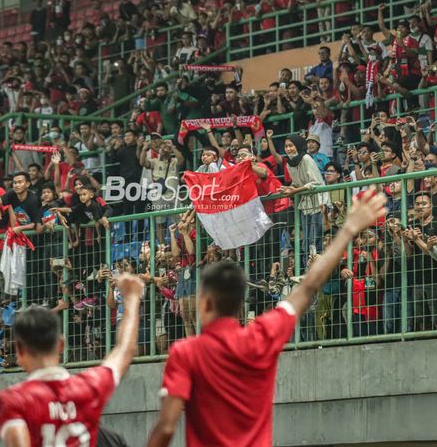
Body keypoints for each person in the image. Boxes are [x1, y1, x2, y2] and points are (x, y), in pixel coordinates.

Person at [146, 189, 388, 447]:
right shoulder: (262, 335)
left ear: (204, 302)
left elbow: (166, 426)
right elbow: (307, 287)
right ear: (240, 303)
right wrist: (349, 228)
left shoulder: (186, 353)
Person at [0, 273, 144, 447]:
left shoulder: (14, 399)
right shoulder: (89, 386)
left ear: (19, 351)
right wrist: (132, 299)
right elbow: (124, 351)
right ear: (61, 344)